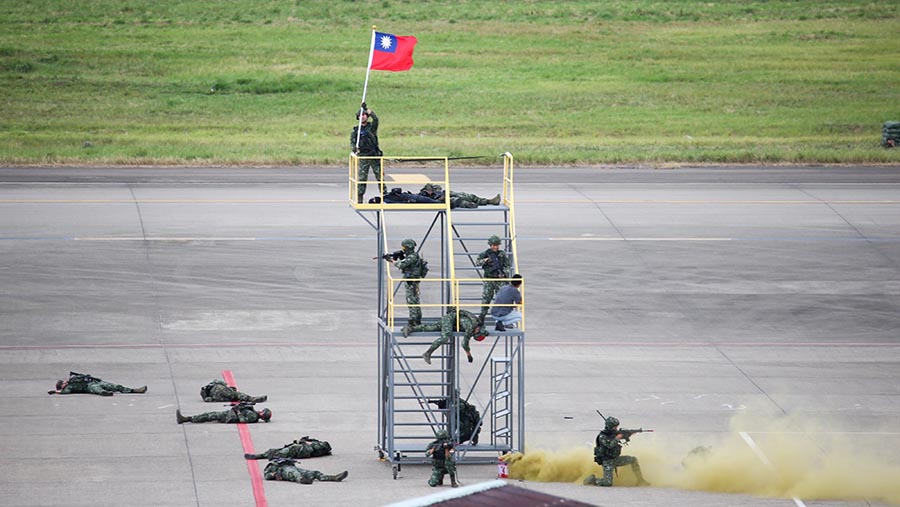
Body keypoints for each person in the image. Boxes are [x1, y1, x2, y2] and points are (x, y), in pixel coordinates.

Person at [403, 306, 485, 364]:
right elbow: (464, 343)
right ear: (477, 330)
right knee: (446, 337)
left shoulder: (477, 324)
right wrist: (469, 355)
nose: (473, 334)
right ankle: (428, 353)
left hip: (451, 322)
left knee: (431, 328)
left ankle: (410, 328)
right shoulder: (470, 326)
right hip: (450, 319)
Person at [583, 416, 650, 487]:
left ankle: (640, 480)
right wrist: (617, 438)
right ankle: (592, 480)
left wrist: (629, 434)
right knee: (607, 483)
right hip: (607, 461)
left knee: (633, 460)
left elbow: (621, 436)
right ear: (609, 426)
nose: (616, 429)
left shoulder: (614, 433)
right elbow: (609, 445)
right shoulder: (602, 436)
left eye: (616, 427)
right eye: (614, 427)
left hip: (615, 459)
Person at [387, 238, 428, 327]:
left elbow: (401, 265)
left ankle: (413, 320)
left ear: (408, 247)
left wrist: (392, 261)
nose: (403, 249)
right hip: (413, 281)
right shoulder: (413, 256)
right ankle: (417, 319)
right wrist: (398, 257)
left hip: (411, 281)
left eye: (404, 247)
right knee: (415, 300)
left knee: (411, 300)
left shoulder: (412, 257)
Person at [350, 102, 382, 203]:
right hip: (363, 156)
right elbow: (352, 143)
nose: (362, 117)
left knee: (379, 176)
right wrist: (354, 149)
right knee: (362, 178)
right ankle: (360, 197)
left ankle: (385, 195)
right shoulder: (356, 131)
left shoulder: (371, 127)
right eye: (360, 115)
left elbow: (376, 119)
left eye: (364, 115)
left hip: (374, 155)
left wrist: (367, 109)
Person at [476, 235, 510, 321]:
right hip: (489, 280)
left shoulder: (502, 254)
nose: (495, 247)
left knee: (502, 299)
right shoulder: (485, 253)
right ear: (490, 245)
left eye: (497, 245)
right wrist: (486, 260)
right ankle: (482, 318)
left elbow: (508, 265)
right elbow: (477, 262)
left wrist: (504, 273)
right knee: (486, 299)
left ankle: (502, 319)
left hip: (499, 280)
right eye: (494, 245)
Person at [48, 371, 146, 396]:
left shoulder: (73, 378)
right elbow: (65, 392)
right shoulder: (69, 387)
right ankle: (104, 393)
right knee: (96, 389)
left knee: (115, 386)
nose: (65, 382)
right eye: (63, 383)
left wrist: (86, 376)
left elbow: (85, 376)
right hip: (88, 386)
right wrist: (56, 392)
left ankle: (133, 390)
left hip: (94, 381)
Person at [263, 457, 348, 484]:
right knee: (294, 473)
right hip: (283, 472)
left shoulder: (286, 461)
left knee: (314, 472)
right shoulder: (272, 466)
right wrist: (274, 474)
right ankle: (302, 480)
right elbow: (266, 475)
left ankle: (333, 477)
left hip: (292, 468)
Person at [245, 436, 332, 460]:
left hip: (301, 451)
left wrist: (303, 442)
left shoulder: (319, 449)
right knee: (277, 450)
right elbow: (313, 441)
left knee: (282, 452)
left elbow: (309, 449)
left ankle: (260, 456)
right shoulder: (319, 445)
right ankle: (261, 455)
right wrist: (305, 440)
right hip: (298, 449)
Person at [176, 402, 272, 424]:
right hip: (229, 414)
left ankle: (187, 419)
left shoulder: (253, 416)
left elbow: (243, 421)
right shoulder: (253, 413)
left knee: (208, 416)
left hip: (229, 416)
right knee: (209, 415)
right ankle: (189, 418)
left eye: (263, 412)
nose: (261, 411)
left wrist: (238, 410)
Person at [419, 183, 501, 208]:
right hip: (441, 201)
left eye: (431, 190)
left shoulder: (434, 190)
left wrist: (441, 193)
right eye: (429, 190)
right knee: (457, 201)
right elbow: (430, 201)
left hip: (444, 195)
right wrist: (440, 199)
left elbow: (438, 188)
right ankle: (468, 204)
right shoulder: (423, 196)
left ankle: (489, 201)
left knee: (466, 195)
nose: (431, 191)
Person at [200, 379, 267, 403]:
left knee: (234, 397)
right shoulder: (215, 383)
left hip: (216, 396)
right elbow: (224, 384)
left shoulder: (205, 391)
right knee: (236, 395)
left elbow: (208, 399)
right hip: (220, 390)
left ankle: (246, 399)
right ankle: (252, 399)